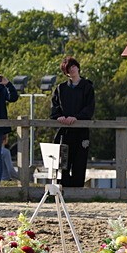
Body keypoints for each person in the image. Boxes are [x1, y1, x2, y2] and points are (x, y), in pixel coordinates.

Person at [50, 56, 96, 187]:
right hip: (65, 132)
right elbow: (55, 106)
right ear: (66, 72)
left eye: (74, 66)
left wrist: (77, 118)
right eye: (69, 68)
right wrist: (59, 116)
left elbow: (90, 107)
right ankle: (64, 189)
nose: (73, 69)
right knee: (63, 162)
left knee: (79, 162)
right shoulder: (61, 88)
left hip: (81, 131)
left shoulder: (87, 87)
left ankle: (77, 190)